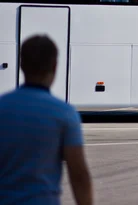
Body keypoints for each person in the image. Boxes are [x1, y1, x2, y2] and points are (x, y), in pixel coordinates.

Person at [0, 35, 93, 205]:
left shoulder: (2, 106)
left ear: (21, 65)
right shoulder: (64, 113)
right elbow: (78, 174)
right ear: (55, 66)